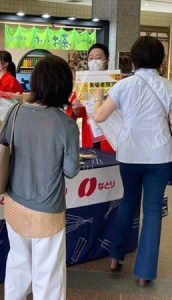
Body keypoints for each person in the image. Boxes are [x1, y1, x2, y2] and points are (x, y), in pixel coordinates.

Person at [93, 36, 172, 287]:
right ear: (161, 61)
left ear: (133, 61)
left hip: (129, 155)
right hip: (160, 155)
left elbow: (100, 116)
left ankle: (116, 258)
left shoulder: (123, 86)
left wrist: (97, 97)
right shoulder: (168, 86)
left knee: (128, 201)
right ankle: (144, 274)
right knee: (152, 212)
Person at [0, 54, 80, 300]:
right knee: (49, 275)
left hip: (14, 201)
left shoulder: (15, 111)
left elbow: (2, 146)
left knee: (18, 264)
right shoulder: (65, 124)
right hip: (47, 209)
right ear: (64, 86)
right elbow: (71, 170)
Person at [66, 43, 115, 152]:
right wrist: (76, 107)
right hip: (90, 131)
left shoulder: (116, 81)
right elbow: (75, 114)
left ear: (107, 60)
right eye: (91, 58)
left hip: (110, 131)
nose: (94, 61)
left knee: (110, 162)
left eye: (98, 58)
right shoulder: (82, 82)